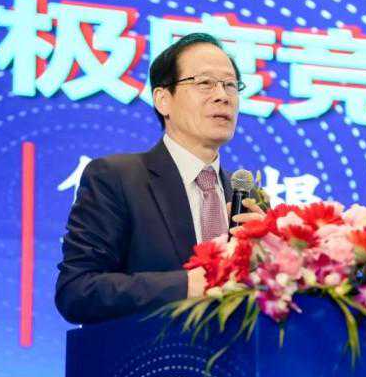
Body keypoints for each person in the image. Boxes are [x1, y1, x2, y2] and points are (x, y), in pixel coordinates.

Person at [55, 32, 262, 324]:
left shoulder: (248, 197)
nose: (222, 95)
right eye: (205, 83)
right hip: (152, 351)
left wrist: (271, 262)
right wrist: (186, 286)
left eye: (230, 85)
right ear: (163, 99)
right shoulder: (116, 179)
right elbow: (77, 290)